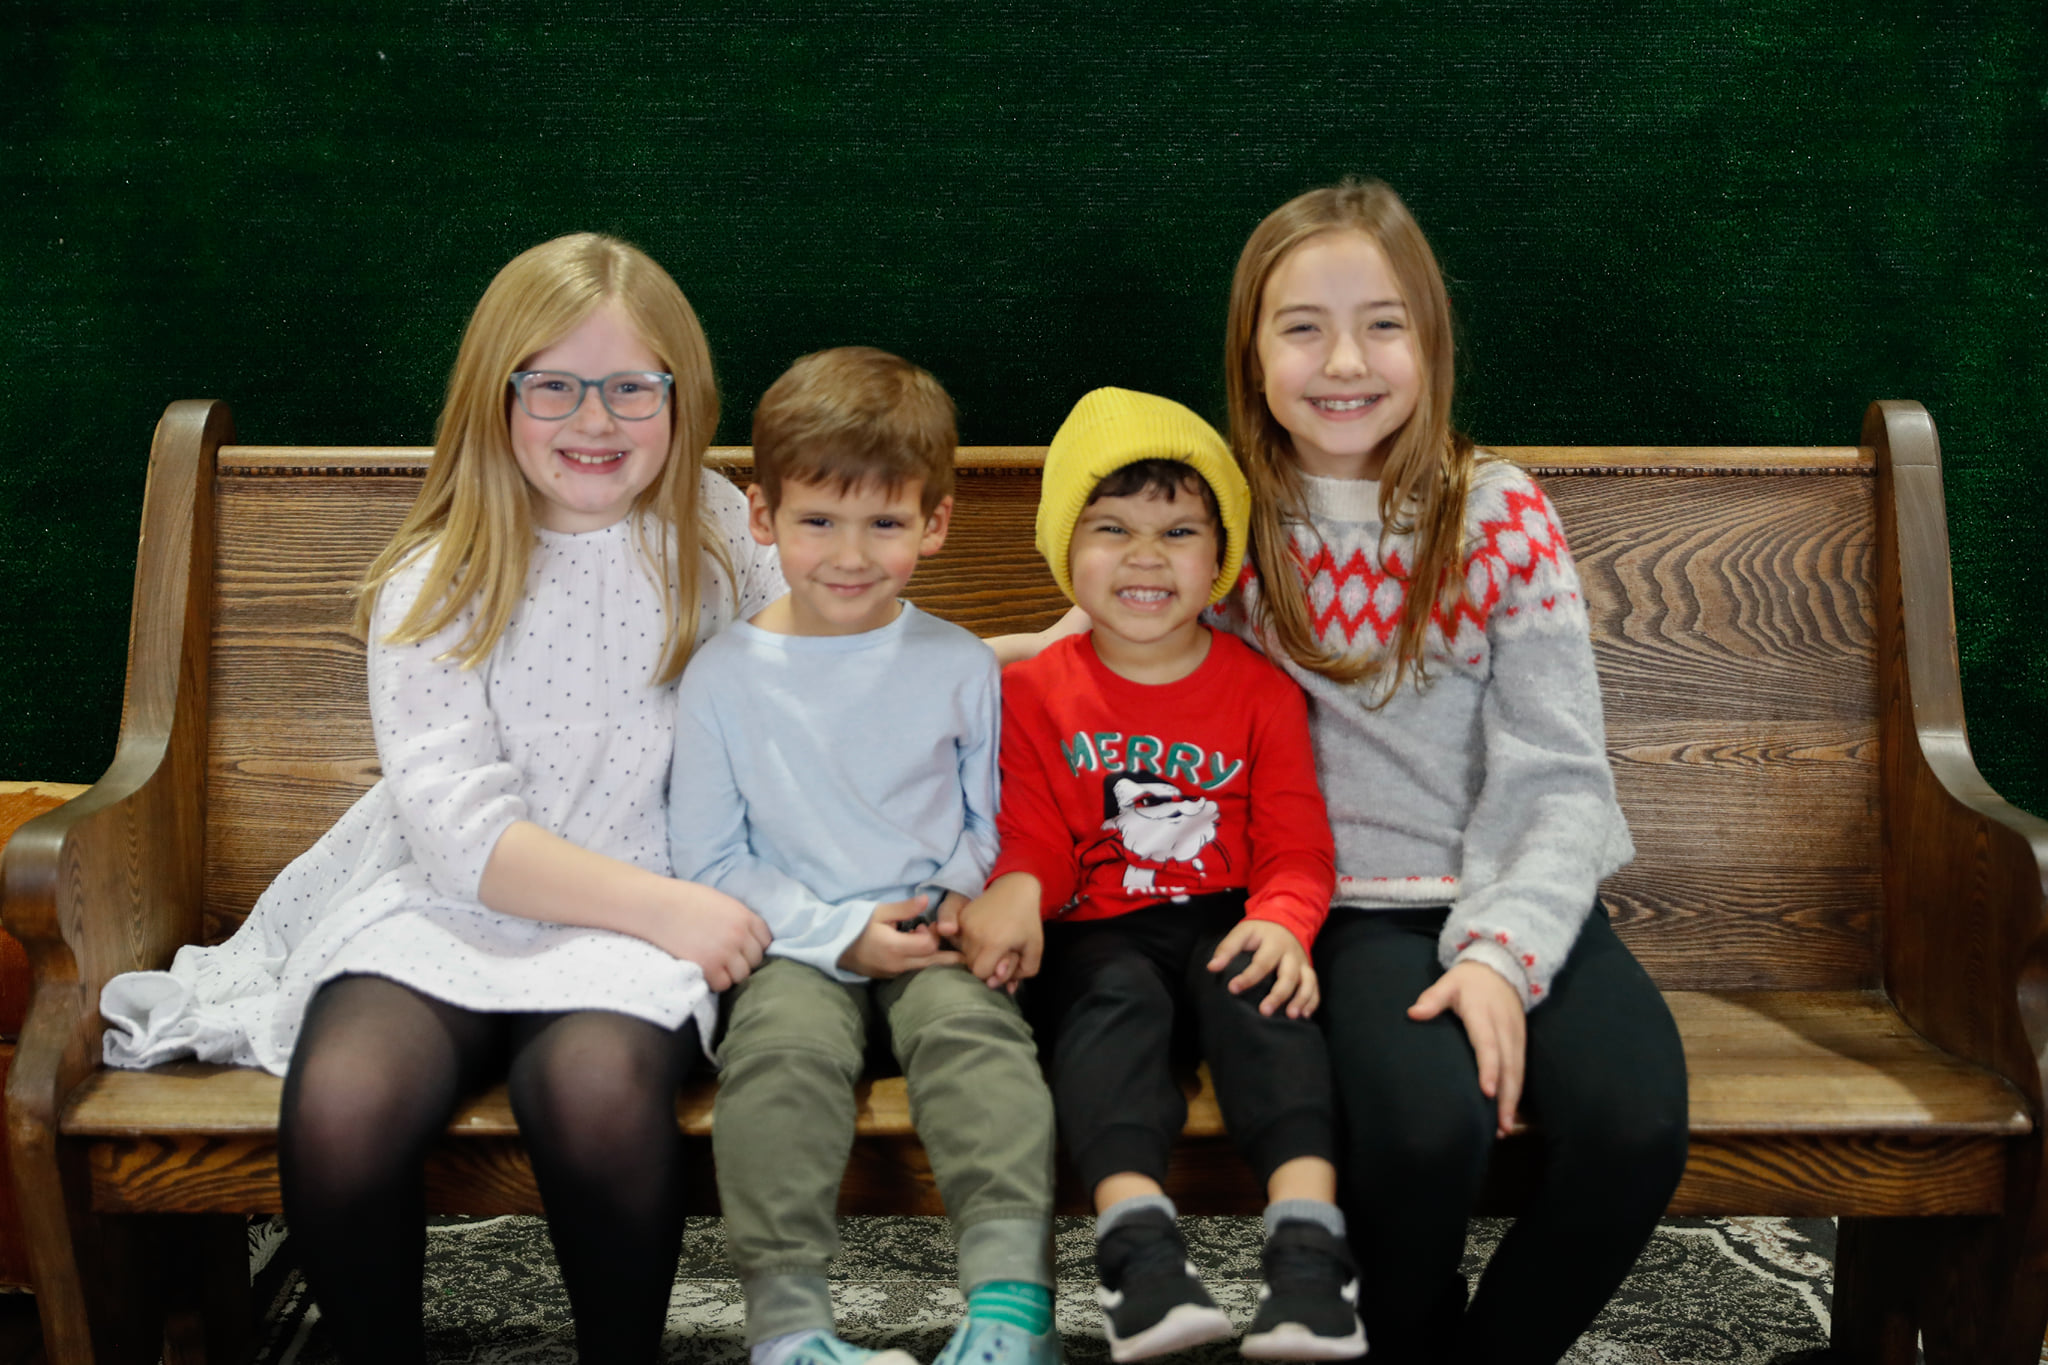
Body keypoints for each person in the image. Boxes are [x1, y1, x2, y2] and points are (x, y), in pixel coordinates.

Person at [127, 232, 788, 1364]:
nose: (594, 419)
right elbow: (460, 834)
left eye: (632, 388)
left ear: (683, 400)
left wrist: (1024, 656)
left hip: (638, 916)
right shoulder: (440, 572)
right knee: (344, 1099)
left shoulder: (720, 533)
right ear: (497, 395)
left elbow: (844, 659)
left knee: (593, 1090)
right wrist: (678, 913)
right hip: (456, 900)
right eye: (554, 386)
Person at [1214, 180, 1690, 1364]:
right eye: (1301, 327)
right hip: (1342, 909)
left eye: (1381, 324)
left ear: (1428, 342)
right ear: (1251, 355)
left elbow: (1559, 775)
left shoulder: (1495, 513)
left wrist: (1498, 954)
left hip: (1514, 888)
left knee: (1632, 1127)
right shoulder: (1222, 518)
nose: (1344, 361)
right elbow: (1116, 648)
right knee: (1423, 1138)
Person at [667, 347, 1061, 1365]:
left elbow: (988, 821)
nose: (850, 554)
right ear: (763, 516)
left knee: (981, 1047)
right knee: (779, 1062)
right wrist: (841, 933)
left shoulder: (958, 664)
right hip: (797, 945)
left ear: (934, 523)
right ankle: (790, 1331)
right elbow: (709, 860)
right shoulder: (723, 678)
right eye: (818, 521)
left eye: (884, 523)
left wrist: (956, 896)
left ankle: (1011, 1314)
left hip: (935, 935)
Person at [957, 388, 1365, 1363]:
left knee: (1266, 1001)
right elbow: (1035, 837)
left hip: (1228, 914)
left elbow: (1296, 844)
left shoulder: (1261, 690)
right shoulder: (1030, 693)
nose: (1146, 556)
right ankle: (1139, 1258)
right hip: (1096, 930)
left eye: (1179, 531)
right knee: (1111, 1010)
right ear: (1064, 549)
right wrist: (1016, 889)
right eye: (1112, 528)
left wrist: (1284, 920)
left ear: (1219, 558)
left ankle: (1309, 1260)